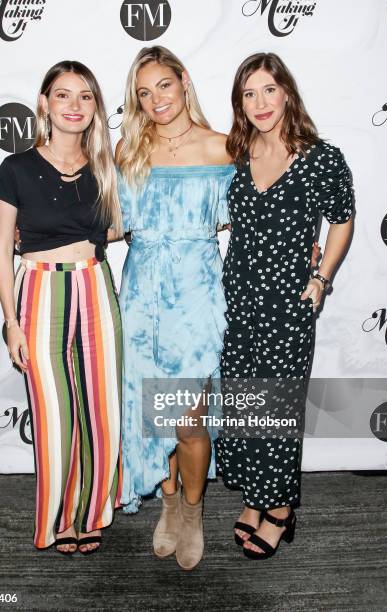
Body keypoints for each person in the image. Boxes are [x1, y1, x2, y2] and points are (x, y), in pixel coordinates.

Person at [217, 52, 354, 559]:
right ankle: (255, 496)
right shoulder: (234, 154)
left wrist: (321, 279)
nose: (260, 103)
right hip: (238, 298)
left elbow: (342, 219)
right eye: (248, 94)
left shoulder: (321, 158)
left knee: (275, 406)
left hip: (287, 303)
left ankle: (279, 508)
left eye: (268, 90)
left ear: (287, 93)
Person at [0, 60, 123, 555]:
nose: (74, 105)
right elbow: (2, 248)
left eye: (85, 96)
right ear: (44, 103)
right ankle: (59, 518)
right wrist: (11, 322)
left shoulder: (107, 168)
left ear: (95, 108)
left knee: (101, 413)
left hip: (95, 288)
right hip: (39, 293)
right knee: (54, 417)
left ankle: (91, 514)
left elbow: (115, 228)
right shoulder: (16, 168)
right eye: (62, 95)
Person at [116, 46, 234, 570]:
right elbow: (115, 224)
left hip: (195, 293)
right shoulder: (129, 149)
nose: (156, 99)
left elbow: (253, 215)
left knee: (188, 420)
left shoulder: (223, 147)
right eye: (144, 92)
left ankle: (192, 510)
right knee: (152, 415)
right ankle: (166, 502)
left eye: (164, 84)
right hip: (141, 293)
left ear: (184, 81)